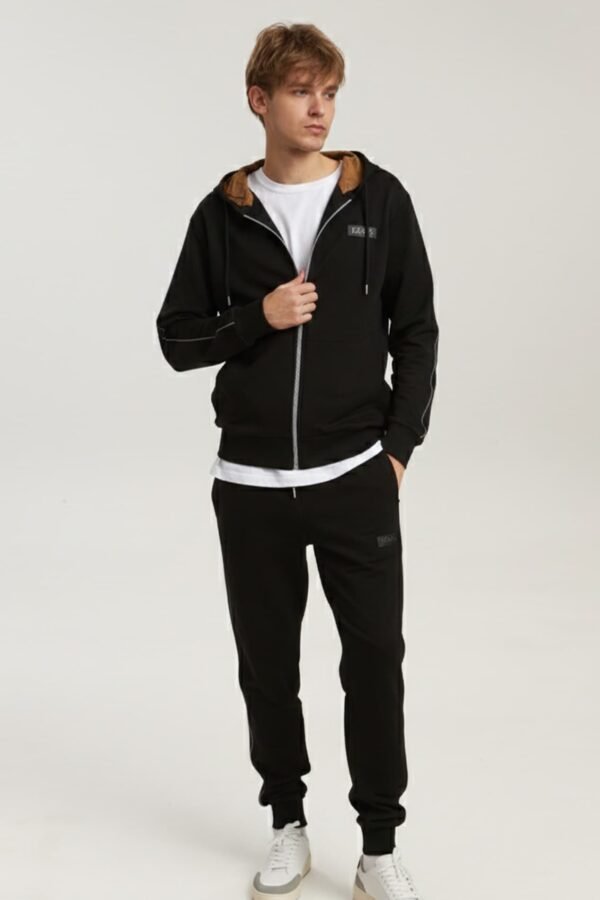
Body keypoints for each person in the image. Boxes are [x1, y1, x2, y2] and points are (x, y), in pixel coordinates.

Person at [156, 21, 439, 900]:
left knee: (375, 663)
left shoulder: (378, 200)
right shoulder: (223, 214)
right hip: (250, 487)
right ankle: (288, 825)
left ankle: (379, 846)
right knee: (268, 670)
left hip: (355, 477)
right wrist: (258, 318)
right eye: (300, 91)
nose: (319, 109)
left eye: (329, 92)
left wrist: (397, 450)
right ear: (260, 100)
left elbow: (417, 331)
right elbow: (176, 339)